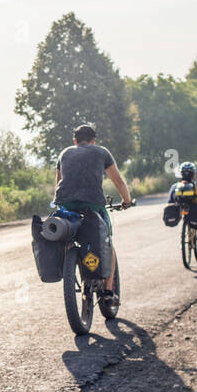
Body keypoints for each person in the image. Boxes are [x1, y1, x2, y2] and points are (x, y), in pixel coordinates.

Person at [53, 122, 132, 296]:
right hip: (93, 204)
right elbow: (118, 181)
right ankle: (109, 291)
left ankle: (70, 262)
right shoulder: (102, 152)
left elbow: (59, 182)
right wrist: (127, 201)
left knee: (68, 236)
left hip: (66, 205)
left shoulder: (64, 153)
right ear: (94, 141)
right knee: (107, 242)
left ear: (75, 140)